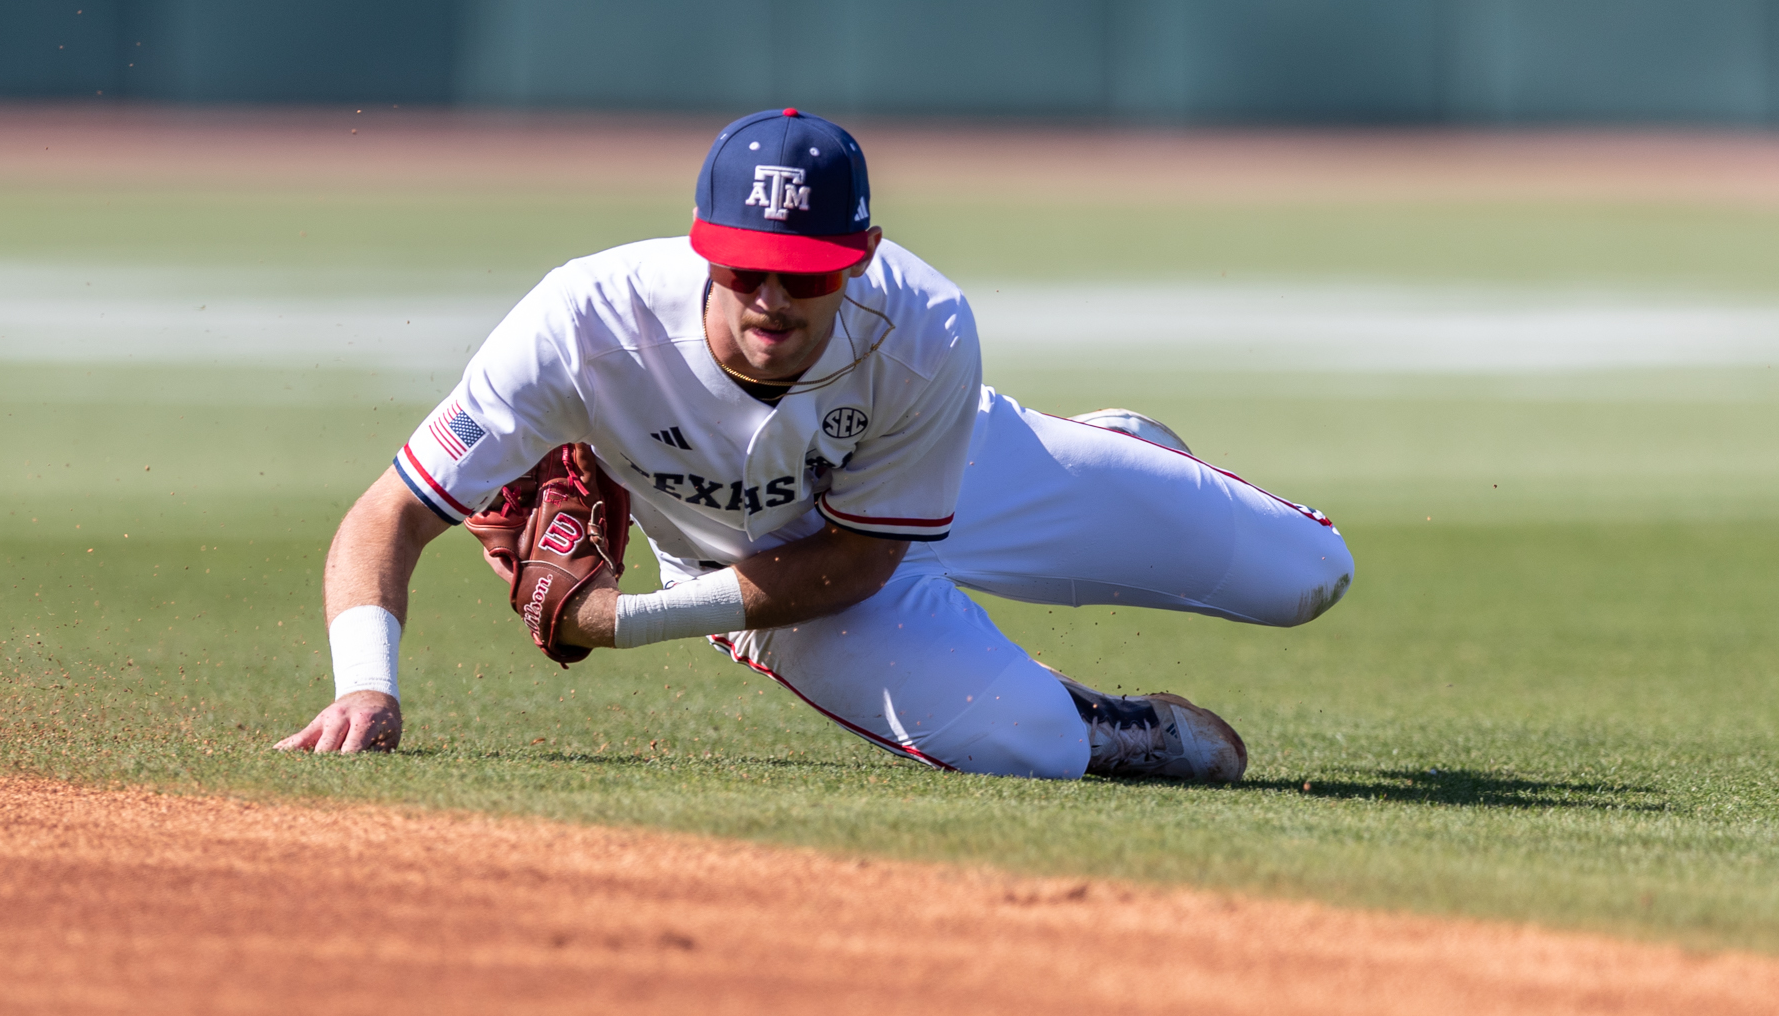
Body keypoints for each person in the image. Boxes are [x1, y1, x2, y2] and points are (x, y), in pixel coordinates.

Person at [277, 109, 1353, 778]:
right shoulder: (580, 324)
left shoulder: (924, 322)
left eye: (805, 271)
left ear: (861, 256)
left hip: (940, 479)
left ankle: (1107, 448)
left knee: (1310, 573)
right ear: (702, 249)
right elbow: (389, 514)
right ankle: (1114, 723)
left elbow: (862, 554)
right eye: (746, 266)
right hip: (755, 578)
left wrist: (626, 621)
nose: (772, 296)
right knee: (1033, 746)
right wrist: (367, 686)